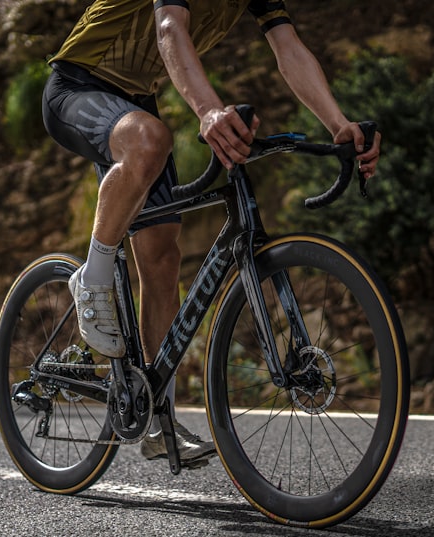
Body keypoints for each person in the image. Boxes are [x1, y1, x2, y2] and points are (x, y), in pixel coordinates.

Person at [41, 0, 381, 466]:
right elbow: (168, 26)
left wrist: (339, 125)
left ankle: (158, 421)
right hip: (76, 86)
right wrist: (208, 111)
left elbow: (288, 47)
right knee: (149, 138)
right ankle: (92, 277)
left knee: (162, 257)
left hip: (137, 99)